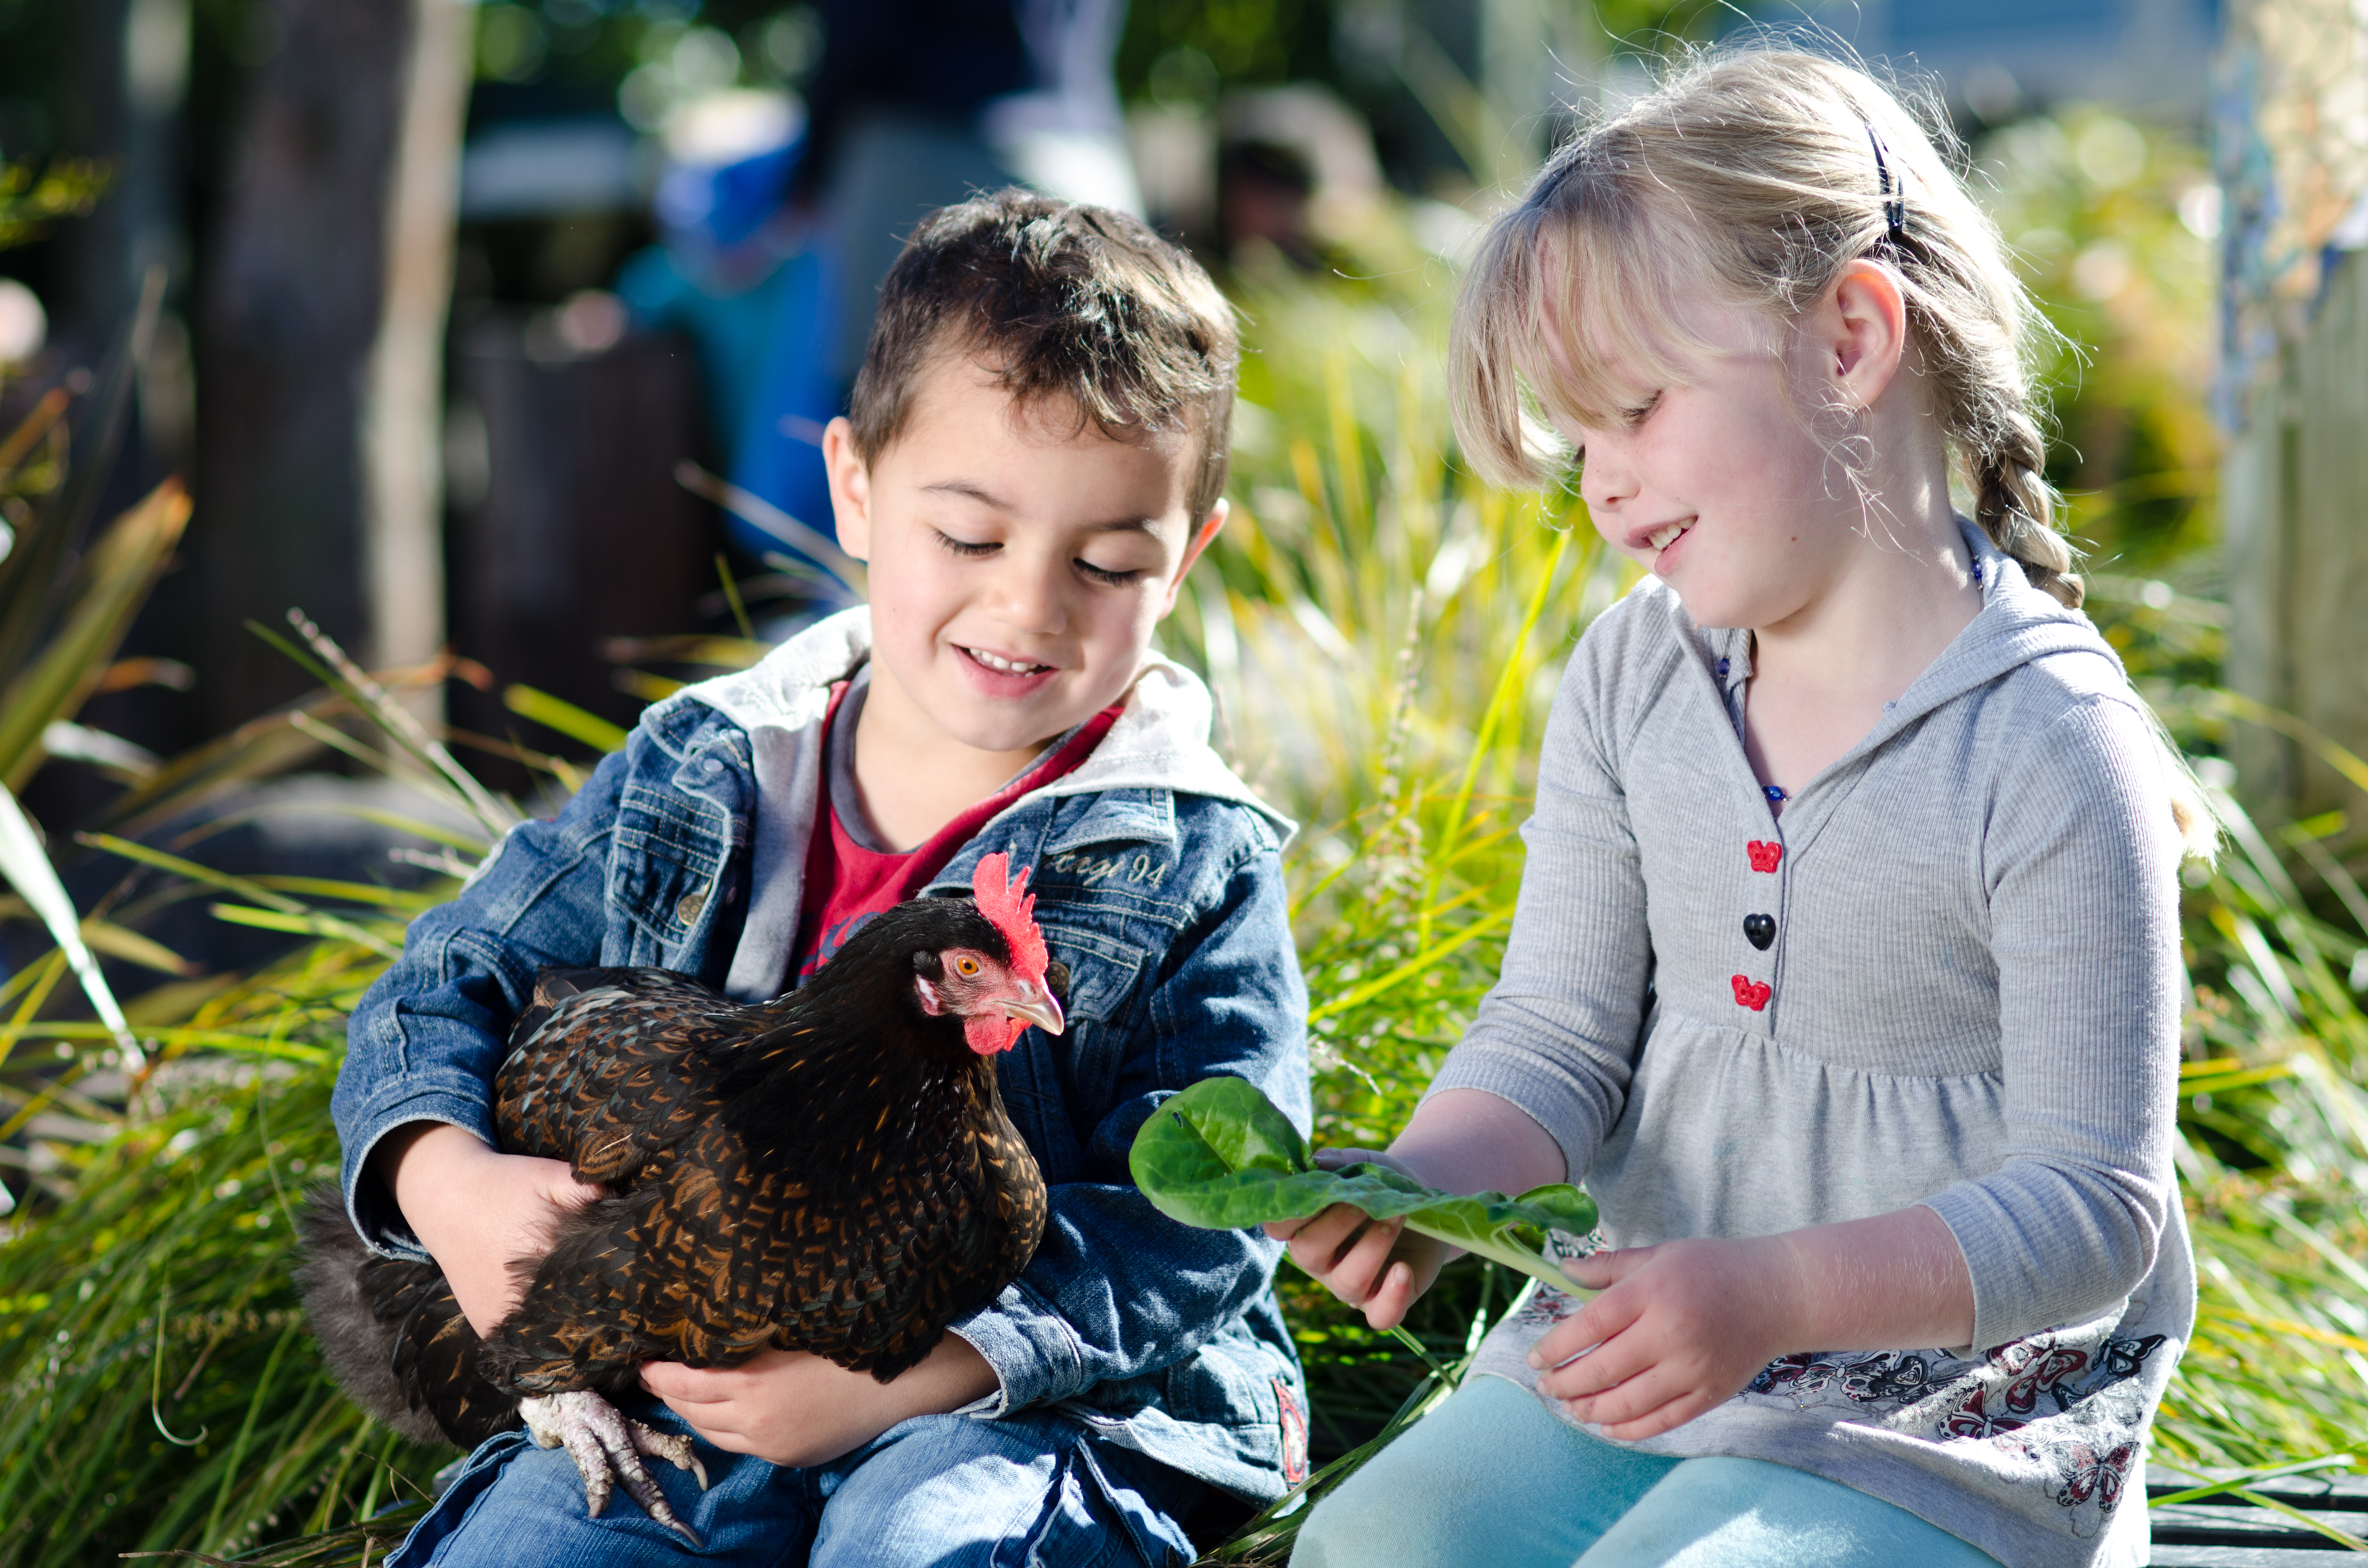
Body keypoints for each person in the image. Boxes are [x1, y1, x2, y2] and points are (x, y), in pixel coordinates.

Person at [1275, 47, 2210, 1568]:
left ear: (1847, 339)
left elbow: (2092, 1207)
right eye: (1577, 438)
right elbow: (1557, 1035)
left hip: (1947, 1423)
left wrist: (1766, 1294)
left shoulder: (2046, 743)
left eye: (1633, 408)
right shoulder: (1635, 677)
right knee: (1376, 1548)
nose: (1598, 482)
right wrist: (1421, 1182)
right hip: (1646, 1350)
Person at [333, 189, 1310, 1568]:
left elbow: (1203, 1215)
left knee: (924, 1546)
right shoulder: (706, 768)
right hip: (679, 1387)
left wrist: (906, 1381)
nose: (1027, 606)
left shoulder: (1187, 858)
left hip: (1021, 1401)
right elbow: (444, 981)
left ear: (1183, 560)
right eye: (968, 538)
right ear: (853, 488)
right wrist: (448, 1182)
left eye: (1105, 564)